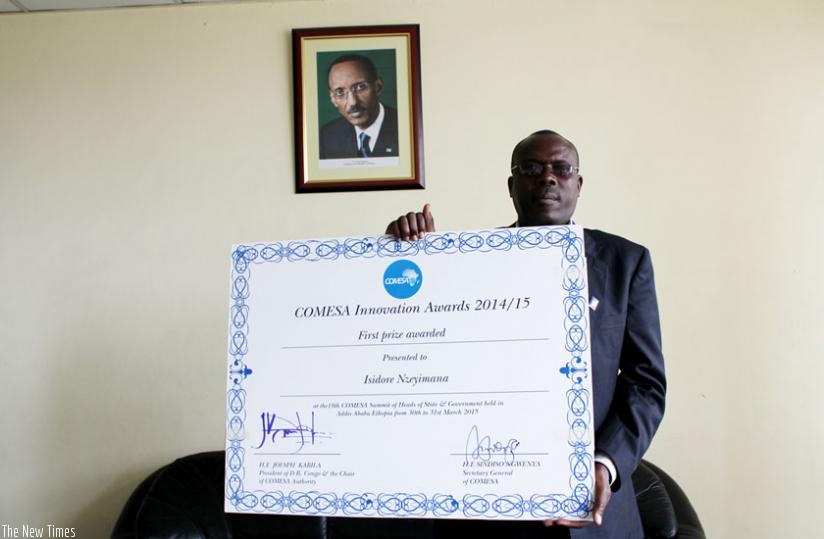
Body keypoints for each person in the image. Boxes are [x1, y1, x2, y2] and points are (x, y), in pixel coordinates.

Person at [385, 130, 666, 538]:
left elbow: (646, 384)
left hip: (592, 513)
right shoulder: (464, 263)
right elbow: (421, 349)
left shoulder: (626, 262)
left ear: (578, 185)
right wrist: (406, 254)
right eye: (531, 168)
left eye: (561, 169)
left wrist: (604, 463)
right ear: (511, 185)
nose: (547, 178)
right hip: (488, 509)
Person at [319, 53, 399, 160]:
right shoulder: (327, 136)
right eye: (340, 92)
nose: (353, 102)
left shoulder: (405, 127)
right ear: (333, 99)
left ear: (378, 88)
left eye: (360, 87)